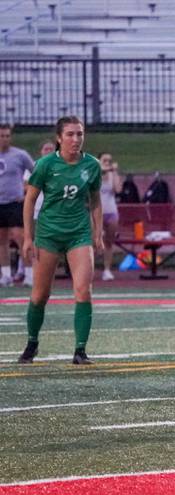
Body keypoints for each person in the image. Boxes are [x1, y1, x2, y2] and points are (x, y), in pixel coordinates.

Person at [18, 116, 102, 364]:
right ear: (59, 138)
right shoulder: (45, 165)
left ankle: (80, 350)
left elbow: (95, 200)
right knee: (40, 295)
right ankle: (32, 342)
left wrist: (97, 232)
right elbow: (30, 200)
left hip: (79, 233)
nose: (76, 139)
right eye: (70, 134)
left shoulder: (92, 165)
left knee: (83, 291)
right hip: (48, 234)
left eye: (80, 134)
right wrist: (27, 237)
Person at [0, 123, 35, 287]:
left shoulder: (20, 155)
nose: (5, 139)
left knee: (21, 239)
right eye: (2, 136)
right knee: (2, 241)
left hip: (15, 203)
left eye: (7, 136)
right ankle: (6, 275)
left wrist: (27, 190)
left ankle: (29, 275)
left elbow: (36, 172)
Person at [20, 139, 56, 286]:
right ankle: (29, 273)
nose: (48, 152)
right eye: (45, 149)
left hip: (52, 212)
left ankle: (43, 273)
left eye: (51, 149)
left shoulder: (60, 167)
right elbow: (25, 187)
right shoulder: (34, 166)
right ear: (41, 151)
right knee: (31, 241)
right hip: (35, 210)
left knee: (48, 245)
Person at [97, 152, 123, 281]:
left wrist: (115, 172)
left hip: (111, 211)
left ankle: (107, 270)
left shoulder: (112, 174)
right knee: (94, 241)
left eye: (109, 160)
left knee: (109, 242)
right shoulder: (96, 173)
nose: (107, 162)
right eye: (104, 160)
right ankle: (90, 268)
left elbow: (118, 189)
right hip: (97, 212)